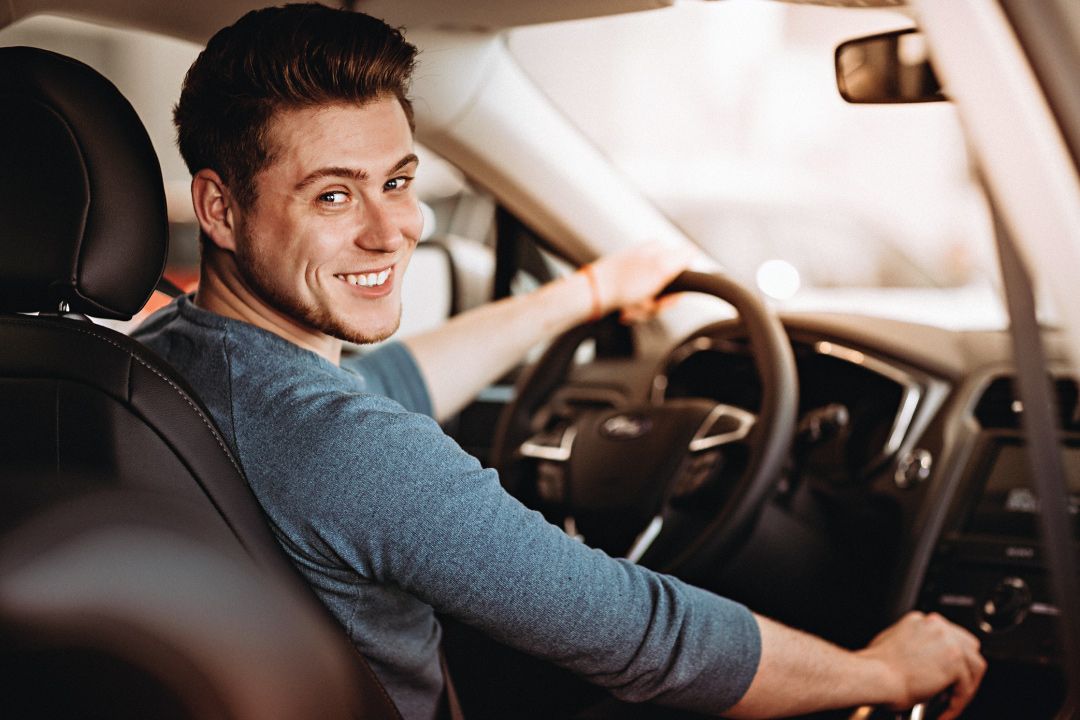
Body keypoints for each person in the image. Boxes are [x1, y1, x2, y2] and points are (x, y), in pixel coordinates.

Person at [134, 4, 986, 719]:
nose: (391, 230)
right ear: (218, 208)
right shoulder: (351, 452)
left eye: (397, 181)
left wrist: (584, 294)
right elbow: (647, 637)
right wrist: (883, 672)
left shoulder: (155, 364)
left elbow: (391, 380)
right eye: (333, 195)